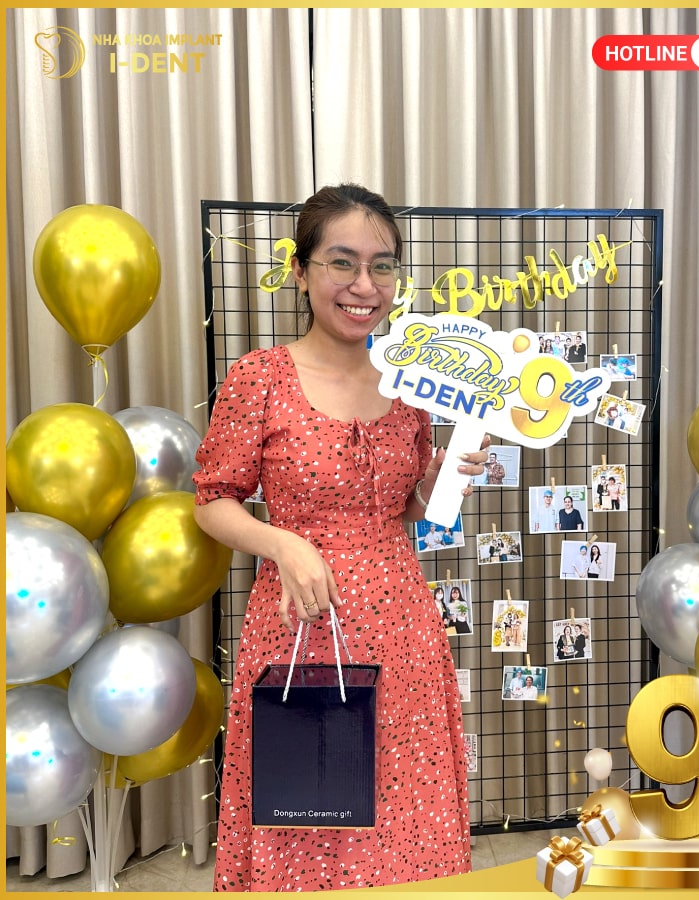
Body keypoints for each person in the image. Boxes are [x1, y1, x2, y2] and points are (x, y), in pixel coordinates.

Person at [192, 183, 488, 892]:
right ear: (301, 271)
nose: (364, 286)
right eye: (342, 262)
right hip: (298, 625)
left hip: (402, 628)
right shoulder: (261, 377)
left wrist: (435, 484)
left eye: (382, 266)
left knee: (401, 804)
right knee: (307, 799)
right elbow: (212, 501)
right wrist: (283, 543)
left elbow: (401, 510)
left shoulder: (411, 383)